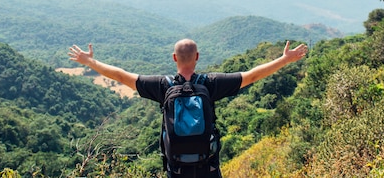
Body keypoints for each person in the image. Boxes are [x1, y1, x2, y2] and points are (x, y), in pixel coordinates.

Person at [68, 39, 308, 177]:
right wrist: (285, 59)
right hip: (208, 166)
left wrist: (89, 61)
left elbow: (121, 76)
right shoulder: (211, 84)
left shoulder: (163, 86)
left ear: (174, 58)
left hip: (177, 169)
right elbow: (252, 75)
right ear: (198, 57)